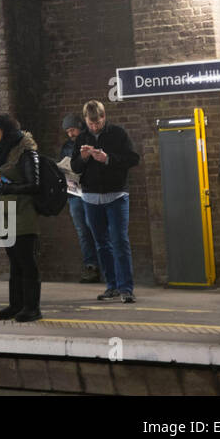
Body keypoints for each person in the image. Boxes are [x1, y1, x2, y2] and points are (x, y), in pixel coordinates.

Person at [75, 99, 140, 303]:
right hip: (90, 198)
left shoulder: (118, 134)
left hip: (116, 196)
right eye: (90, 123)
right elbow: (75, 168)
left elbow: (133, 159)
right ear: (85, 120)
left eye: (97, 122)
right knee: (102, 244)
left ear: (104, 117)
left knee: (120, 241)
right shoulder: (81, 138)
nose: (94, 126)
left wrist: (108, 159)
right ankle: (111, 286)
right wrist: (83, 158)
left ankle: (126, 288)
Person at [0, 114, 43, 321]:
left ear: (5, 131)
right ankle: (16, 305)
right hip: (6, 214)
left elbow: (35, 185)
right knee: (15, 263)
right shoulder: (2, 153)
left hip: (23, 215)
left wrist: (5, 186)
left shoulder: (26, 152)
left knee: (27, 262)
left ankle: (32, 308)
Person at [60, 114, 99, 284]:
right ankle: (91, 266)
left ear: (80, 126)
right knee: (83, 231)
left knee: (96, 228)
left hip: (91, 192)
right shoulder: (67, 146)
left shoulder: (92, 141)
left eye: (72, 129)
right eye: (68, 131)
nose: (70, 134)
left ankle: (105, 266)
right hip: (74, 194)